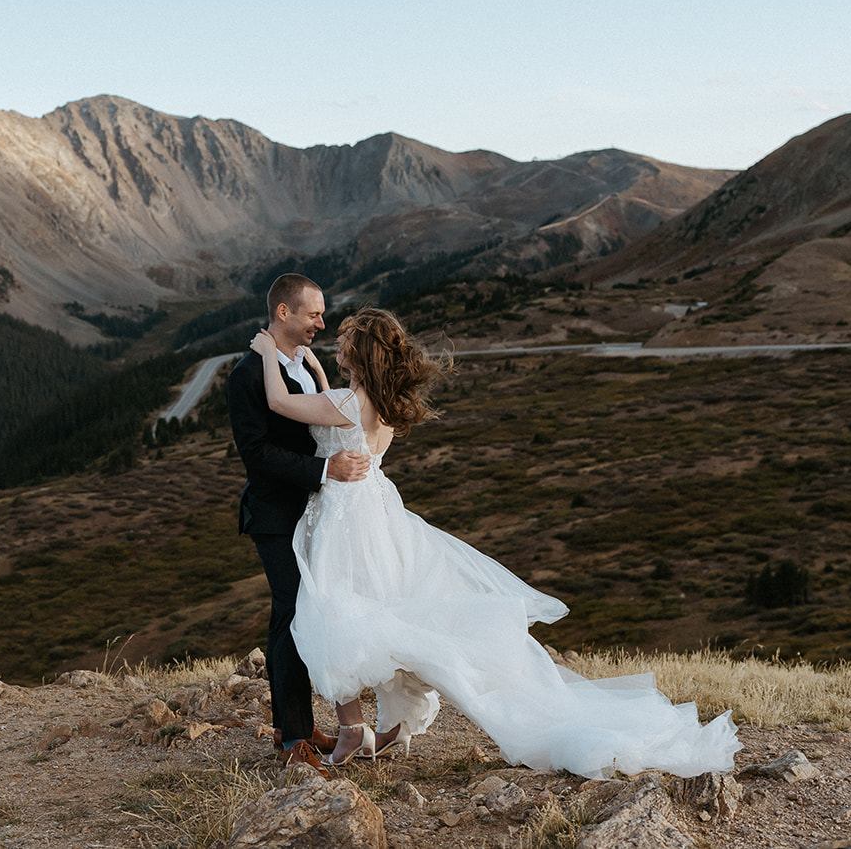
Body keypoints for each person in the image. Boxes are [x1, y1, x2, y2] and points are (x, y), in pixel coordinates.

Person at [248, 307, 740, 777]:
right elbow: (338, 401)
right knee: (371, 614)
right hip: (379, 514)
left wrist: (269, 351)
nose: (336, 347)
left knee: (338, 614)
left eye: (346, 345)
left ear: (362, 356)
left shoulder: (348, 404)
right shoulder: (381, 405)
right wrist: (309, 363)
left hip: (346, 518)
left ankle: (354, 728)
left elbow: (278, 402)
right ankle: (371, 725)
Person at [227, 274, 371, 772]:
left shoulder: (308, 368)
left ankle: (302, 726)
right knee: (292, 616)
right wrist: (324, 470)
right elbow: (257, 454)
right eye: (314, 314)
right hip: (275, 513)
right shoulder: (248, 373)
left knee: (306, 615)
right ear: (284, 313)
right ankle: (293, 740)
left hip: (313, 512)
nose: (322, 323)